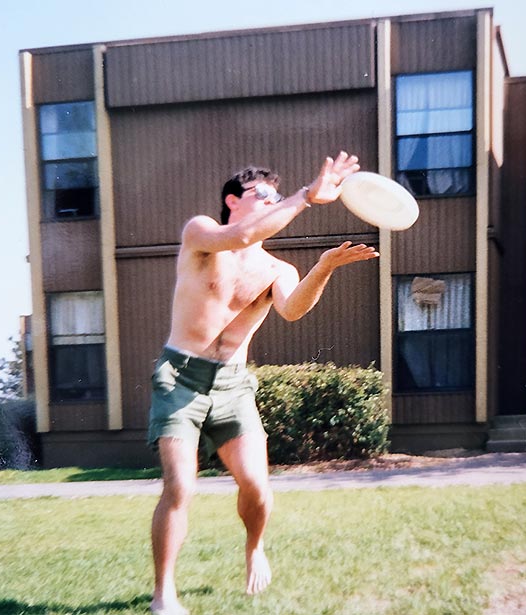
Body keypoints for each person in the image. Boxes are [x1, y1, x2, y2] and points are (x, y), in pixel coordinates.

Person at [147, 152, 377, 615]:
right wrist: (307, 197)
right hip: (180, 379)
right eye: (262, 195)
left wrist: (325, 266)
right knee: (180, 487)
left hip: (233, 384)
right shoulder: (203, 234)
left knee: (257, 486)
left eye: (276, 195)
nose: (271, 201)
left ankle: (254, 547)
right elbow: (244, 235)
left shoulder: (276, 270)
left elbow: (292, 310)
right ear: (232, 200)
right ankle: (164, 594)